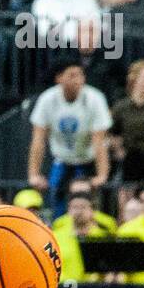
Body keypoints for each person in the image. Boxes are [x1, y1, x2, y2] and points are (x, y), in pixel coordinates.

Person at [27, 63, 111, 216]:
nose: (78, 80)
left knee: (90, 206)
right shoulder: (47, 99)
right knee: (56, 202)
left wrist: (102, 175)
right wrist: (34, 174)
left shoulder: (94, 98)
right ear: (59, 78)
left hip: (87, 161)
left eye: (80, 75)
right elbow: (38, 140)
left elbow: (99, 141)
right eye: (72, 75)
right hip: (62, 160)